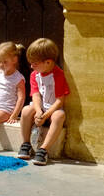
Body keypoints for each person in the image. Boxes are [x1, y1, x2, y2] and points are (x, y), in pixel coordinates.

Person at [19, 37, 70, 166]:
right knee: (25, 110)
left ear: (48, 62)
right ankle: (26, 143)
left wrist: (46, 115)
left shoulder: (58, 75)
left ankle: (43, 150)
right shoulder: (34, 75)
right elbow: (35, 95)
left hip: (52, 109)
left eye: (34, 63)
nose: (31, 66)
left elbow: (60, 100)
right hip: (40, 108)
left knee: (60, 116)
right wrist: (38, 111)